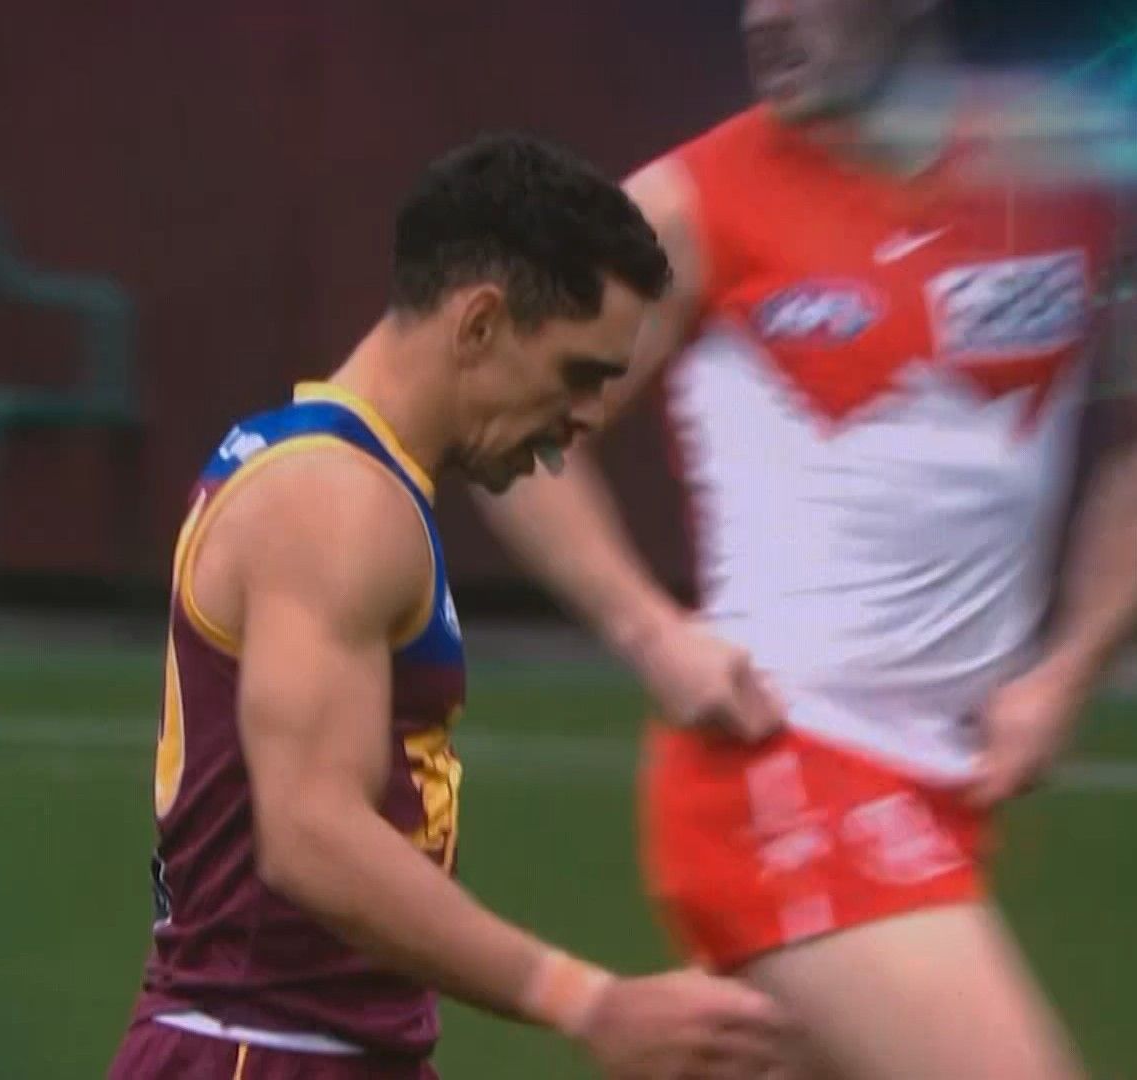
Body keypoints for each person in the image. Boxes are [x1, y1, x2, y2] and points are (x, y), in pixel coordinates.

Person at [475, 3, 1137, 1078]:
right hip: (779, 768)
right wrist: (649, 632)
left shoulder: (1074, 171)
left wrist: (1071, 667)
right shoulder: (686, 205)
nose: (766, 16)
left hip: (948, 786)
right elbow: (502, 422)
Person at [109, 133, 797, 1080]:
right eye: (578, 372)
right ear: (479, 324)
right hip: (263, 1055)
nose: (588, 416)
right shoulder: (335, 501)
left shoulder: (351, 478)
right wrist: (589, 1001)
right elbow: (311, 837)